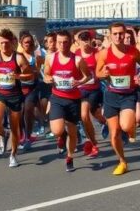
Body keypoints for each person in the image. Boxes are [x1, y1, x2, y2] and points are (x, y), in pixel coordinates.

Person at [95, 22, 140, 175]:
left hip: (128, 95)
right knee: (115, 133)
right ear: (110, 35)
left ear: (125, 35)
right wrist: (102, 75)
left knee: (125, 126)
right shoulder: (104, 53)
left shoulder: (132, 52)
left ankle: (130, 129)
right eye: (115, 34)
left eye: (121, 34)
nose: (118, 36)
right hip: (111, 95)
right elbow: (97, 73)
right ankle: (122, 162)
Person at [0, 28, 34, 168]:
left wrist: (19, 76)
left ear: (12, 43)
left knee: (14, 127)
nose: (4, 46)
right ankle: (3, 134)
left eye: (7, 43)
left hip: (15, 95)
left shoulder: (18, 57)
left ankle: (13, 154)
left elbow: (30, 75)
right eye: (1, 43)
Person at [43, 30, 91, 172]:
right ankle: (61, 137)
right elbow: (46, 74)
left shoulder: (78, 60)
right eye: (59, 42)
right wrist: (48, 79)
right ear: (56, 43)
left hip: (73, 100)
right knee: (57, 130)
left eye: (65, 42)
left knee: (72, 132)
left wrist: (79, 82)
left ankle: (70, 157)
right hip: (57, 98)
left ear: (70, 43)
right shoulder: (50, 58)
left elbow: (88, 76)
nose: (62, 45)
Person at [76, 31, 104, 158]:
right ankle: (92, 142)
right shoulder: (75, 54)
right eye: (83, 40)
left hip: (93, 89)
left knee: (94, 116)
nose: (85, 43)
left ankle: (110, 126)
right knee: (85, 116)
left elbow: (101, 71)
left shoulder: (97, 54)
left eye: (87, 40)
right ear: (78, 42)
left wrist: (100, 75)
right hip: (80, 89)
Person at [18, 31, 42, 150]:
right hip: (19, 88)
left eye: (30, 42)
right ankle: (23, 133)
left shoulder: (35, 56)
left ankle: (28, 136)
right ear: (21, 43)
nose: (28, 44)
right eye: (25, 42)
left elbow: (38, 72)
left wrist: (33, 72)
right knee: (19, 112)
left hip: (32, 87)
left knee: (28, 109)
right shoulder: (17, 56)